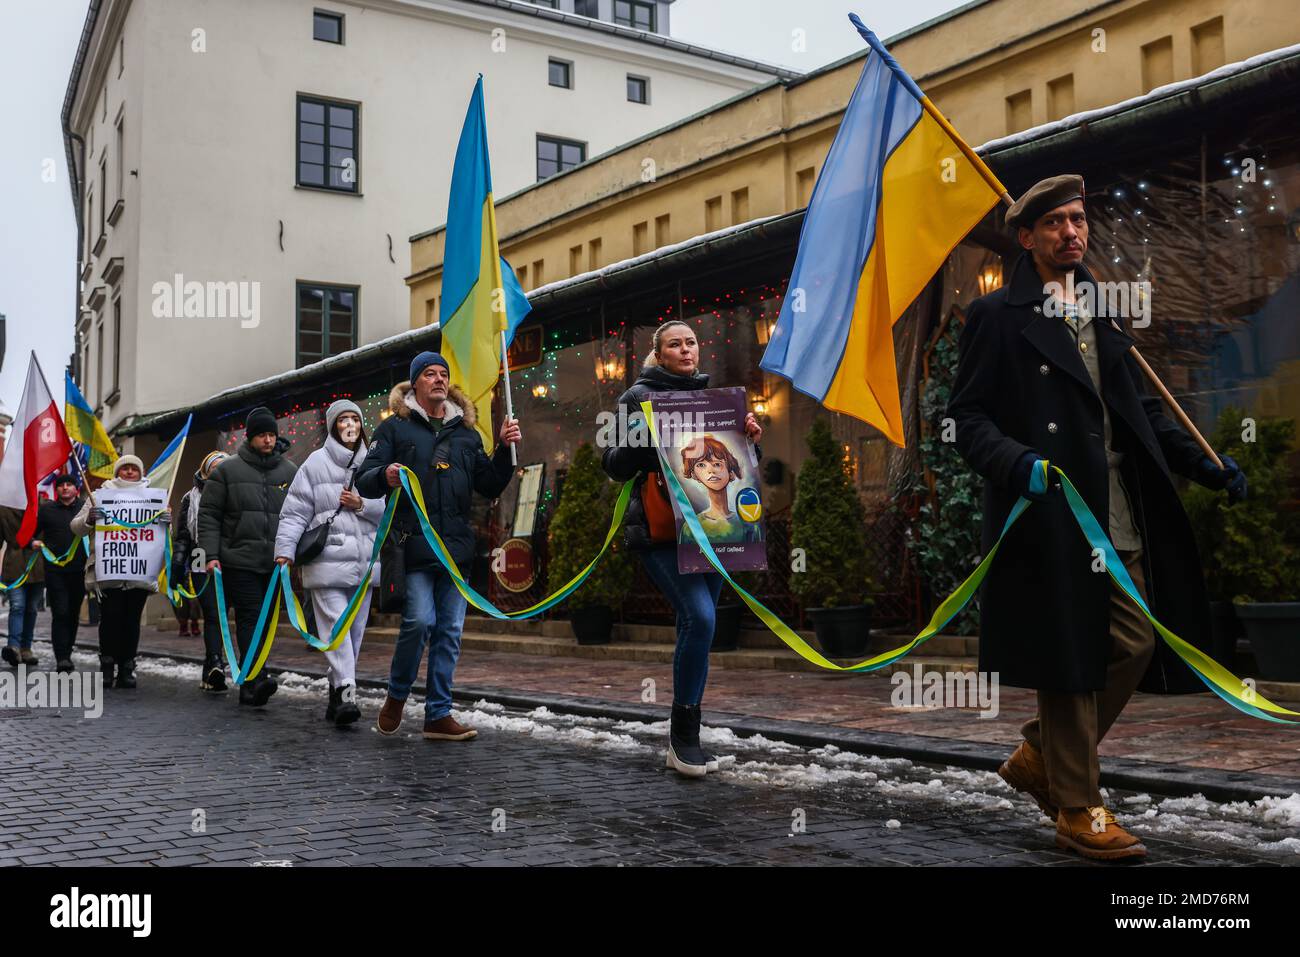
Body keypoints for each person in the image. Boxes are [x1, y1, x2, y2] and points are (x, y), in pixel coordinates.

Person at [946, 174, 1248, 861]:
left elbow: (1136, 418)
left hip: (1115, 510)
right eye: (1053, 223)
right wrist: (1016, 460)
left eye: (1078, 220)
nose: (1070, 232)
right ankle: (1078, 807)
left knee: (1133, 642)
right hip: (1049, 513)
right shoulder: (996, 317)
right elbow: (964, 419)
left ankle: (1040, 756)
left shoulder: (1102, 313)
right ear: (1026, 238)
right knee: (1071, 660)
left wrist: (1208, 464)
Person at [601, 320, 763, 778]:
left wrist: (750, 440)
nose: (686, 349)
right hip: (660, 531)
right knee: (701, 618)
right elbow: (612, 464)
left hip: (710, 529)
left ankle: (686, 734)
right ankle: (683, 738)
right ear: (660, 353)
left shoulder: (715, 400)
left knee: (699, 628)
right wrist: (648, 439)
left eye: (691, 342)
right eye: (675, 343)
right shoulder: (636, 398)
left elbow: (738, 467)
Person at [355, 351, 520, 741]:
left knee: (449, 631)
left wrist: (504, 451)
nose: (439, 379)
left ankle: (438, 715)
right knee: (420, 621)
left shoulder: (466, 434)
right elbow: (364, 479)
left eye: (443, 373)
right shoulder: (395, 429)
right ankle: (397, 695)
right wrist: (386, 473)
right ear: (416, 384)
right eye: (430, 374)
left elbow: (489, 483)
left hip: (456, 550)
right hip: (412, 545)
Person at [274, 400, 385, 726]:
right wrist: (286, 550)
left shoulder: (374, 463)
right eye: (343, 419)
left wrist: (362, 503)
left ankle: (337, 696)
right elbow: (295, 512)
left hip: (364, 565)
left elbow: (389, 509)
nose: (349, 424)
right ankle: (349, 690)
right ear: (334, 425)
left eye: (354, 418)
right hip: (326, 564)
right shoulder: (315, 464)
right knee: (336, 629)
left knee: (354, 636)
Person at [198, 407, 297, 707]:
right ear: (250, 438)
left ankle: (251, 681)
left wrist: (294, 551)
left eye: (271, 435)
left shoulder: (290, 472)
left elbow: (299, 513)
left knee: (267, 622)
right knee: (251, 617)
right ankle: (255, 679)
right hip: (238, 559)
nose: (267, 441)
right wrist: (211, 555)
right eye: (261, 435)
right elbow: (209, 515)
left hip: (276, 562)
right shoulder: (228, 471)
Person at [70, 455, 172, 688]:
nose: (128, 472)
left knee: (131, 621)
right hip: (108, 573)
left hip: (138, 573)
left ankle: (127, 667)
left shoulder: (153, 498)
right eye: (124, 468)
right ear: (117, 472)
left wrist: (167, 520)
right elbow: (76, 528)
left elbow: (161, 536)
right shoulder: (99, 496)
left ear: (140, 472)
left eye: (133, 469)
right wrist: (89, 518)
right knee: (110, 620)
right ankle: (107, 666)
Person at [173, 451, 231, 692]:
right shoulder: (191, 497)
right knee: (212, 612)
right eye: (214, 468)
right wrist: (178, 563)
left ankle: (211, 668)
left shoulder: (236, 493)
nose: (219, 472)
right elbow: (184, 535)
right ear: (205, 470)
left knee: (223, 613)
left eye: (224, 467)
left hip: (230, 558)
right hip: (200, 557)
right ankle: (216, 661)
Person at [31, 474, 89, 672]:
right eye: (61, 485)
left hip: (80, 570)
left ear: (76, 488)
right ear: (56, 490)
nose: (65, 488)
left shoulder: (85, 508)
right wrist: (34, 542)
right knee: (61, 612)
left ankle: (68, 650)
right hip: (55, 570)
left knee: (72, 613)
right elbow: (32, 533)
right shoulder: (47, 509)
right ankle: (62, 658)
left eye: (69, 484)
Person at [1, 506, 46, 668]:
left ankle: (26, 648)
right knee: (18, 606)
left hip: (38, 565)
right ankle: (13, 647)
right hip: (14, 566)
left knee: (31, 608)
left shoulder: (42, 506)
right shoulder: (4, 509)